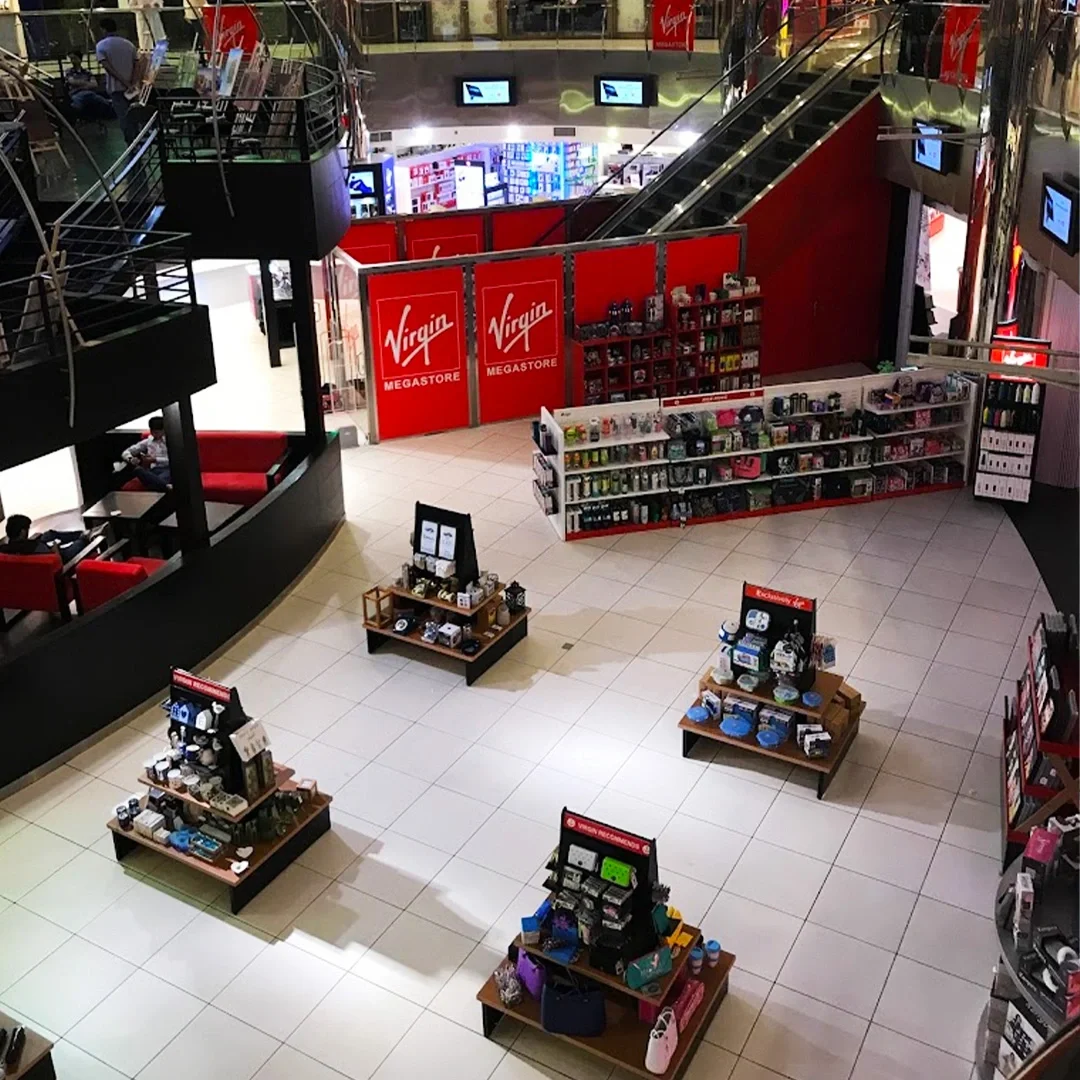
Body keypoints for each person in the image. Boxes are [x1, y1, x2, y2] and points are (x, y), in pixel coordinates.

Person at [95, 18, 138, 123]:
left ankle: (130, 139)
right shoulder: (129, 44)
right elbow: (137, 65)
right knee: (135, 116)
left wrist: (125, 83)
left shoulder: (101, 46)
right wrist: (132, 83)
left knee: (123, 117)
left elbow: (108, 68)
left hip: (116, 88)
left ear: (103, 29)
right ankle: (138, 137)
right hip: (132, 88)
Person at [0, 514, 97, 560]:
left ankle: (81, 533)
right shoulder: (35, 547)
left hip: (35, 550)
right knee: (79, 543)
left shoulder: (4, 549)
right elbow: (56, 560)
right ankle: (84, 537)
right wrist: (55, 550)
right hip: (59, 558)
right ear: (22, 532)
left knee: (49, 534)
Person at [122, 416, 171, 492]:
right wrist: (131, 459)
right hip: (152, 471)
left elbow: (174, 460)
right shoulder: (148, 441)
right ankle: (165, 486)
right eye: (152, 431)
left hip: (167, 469)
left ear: (163, 430)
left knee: (157, 480)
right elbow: (126, 452)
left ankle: (161, 485)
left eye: (156, 432)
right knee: (138, 470)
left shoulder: (171, 441)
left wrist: (155, 460)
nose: (154, 434)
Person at [65, 51, 115, 123]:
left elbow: (94, 84)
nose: (73, 61)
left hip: (89, 93)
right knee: (77, 104)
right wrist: (86, 84)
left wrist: (79, 84)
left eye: (75, 58)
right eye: (71, 59)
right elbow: (71, 81)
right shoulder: (69, 71)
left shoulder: (87, 72)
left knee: (97, 99)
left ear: (80, 59)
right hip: (76, 94)